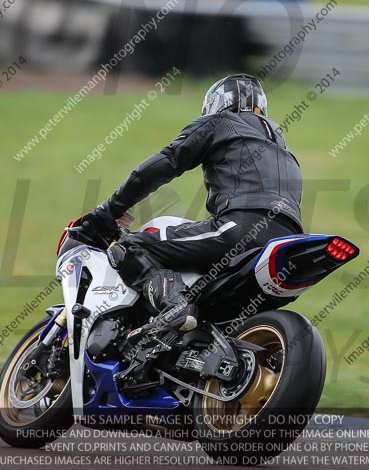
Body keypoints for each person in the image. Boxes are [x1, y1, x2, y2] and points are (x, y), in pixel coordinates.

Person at [81, 74, 303, 335]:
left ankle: (175, 307)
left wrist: (110, 211)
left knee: (128, 247)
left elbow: (165, 163)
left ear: (216, 103)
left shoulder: (220, 122)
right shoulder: (285, 152)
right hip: (290, 241)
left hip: (242, 228)